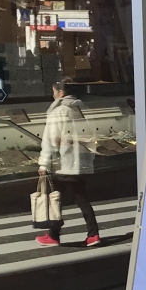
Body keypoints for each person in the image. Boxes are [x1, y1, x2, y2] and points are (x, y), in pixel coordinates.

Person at [36, 80, 100, 248]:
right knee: (81, 199)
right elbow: (92, 135)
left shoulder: (58, 111)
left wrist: (44, 164)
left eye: (54, 91)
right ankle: (93, 234)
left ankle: (53, 236)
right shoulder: (82, 109)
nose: (53, 95)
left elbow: (49, 140)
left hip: (65, 163)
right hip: (82, 162)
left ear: (61, 93)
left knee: (55, 200)